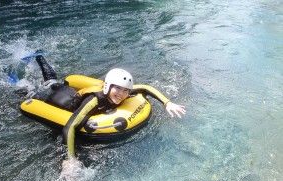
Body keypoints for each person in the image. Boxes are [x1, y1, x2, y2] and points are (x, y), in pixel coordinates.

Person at [32, 53, 186, 159]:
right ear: (108, 86)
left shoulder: (126, 94)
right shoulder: (94, 100)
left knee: (53, 82)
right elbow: (69, 127)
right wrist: (70, 160)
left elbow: (145, 88)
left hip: (67, 92)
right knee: (42, 87)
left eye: (126, 90)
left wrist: (168, 103)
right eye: (117, 88)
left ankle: (40, 57)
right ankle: (35, 66)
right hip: (56, 99)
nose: (121, 94)